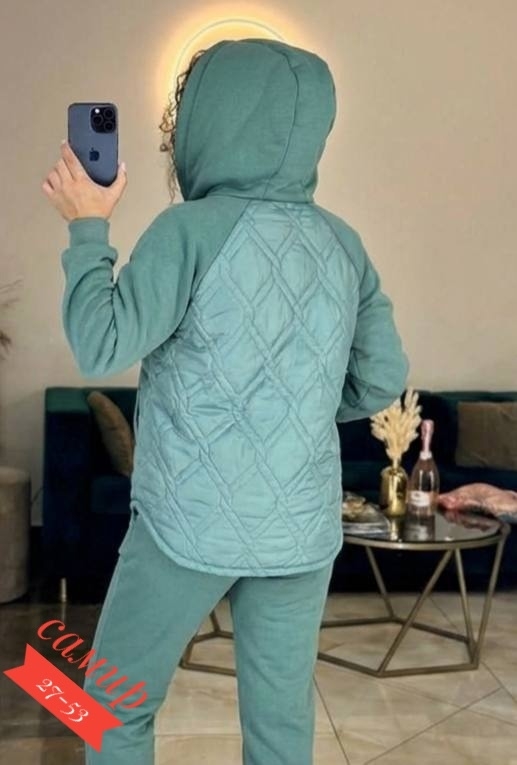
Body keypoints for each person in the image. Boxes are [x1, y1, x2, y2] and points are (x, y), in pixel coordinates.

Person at [42, 38, 409, 765]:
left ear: (211, 120)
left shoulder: (188, 230)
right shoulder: (343, 243)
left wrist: (86, 224)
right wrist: (299, 410)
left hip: (187, 519)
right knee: (280, 729)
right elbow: (381, 379)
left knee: (107, 708)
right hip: (298, 530)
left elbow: (100, 344)